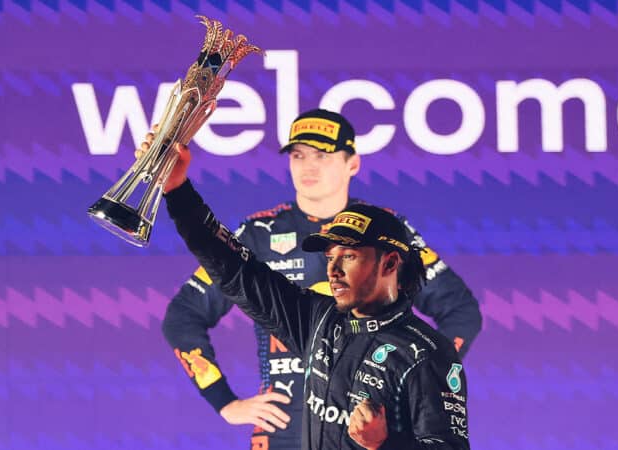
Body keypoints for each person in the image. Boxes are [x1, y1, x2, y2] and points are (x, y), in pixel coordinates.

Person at [144, 109, 480, 449]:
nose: (333, 269)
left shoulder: (391, 240)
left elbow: (461, 313)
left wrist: (400, 405)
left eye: (348, 255)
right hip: (286, 429)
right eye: (298, 155)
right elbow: (230, 270)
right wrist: (177, 189)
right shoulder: (316, 322)